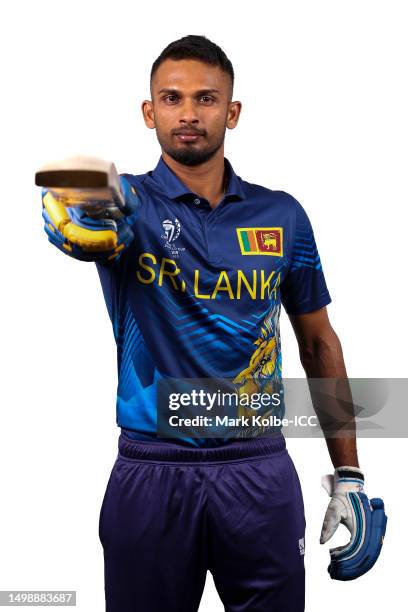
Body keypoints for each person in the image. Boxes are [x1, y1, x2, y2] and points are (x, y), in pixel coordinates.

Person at [41, 34, 376, 612]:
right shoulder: (127, 204)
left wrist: (349, 473)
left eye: (206, 98)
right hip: (152, 467)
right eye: (171, 99)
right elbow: (77, 197)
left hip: (258, 468)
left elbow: (318, 342)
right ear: (149, 112)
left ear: (233, 111)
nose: (189, 114)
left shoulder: (283, 215)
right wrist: (69, 209)